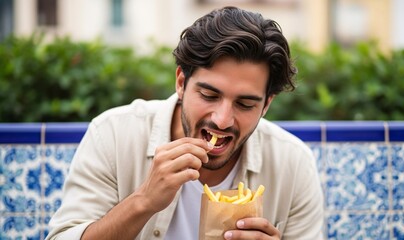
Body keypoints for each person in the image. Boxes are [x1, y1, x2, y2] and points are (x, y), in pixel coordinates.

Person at [46, 6, 324, 240]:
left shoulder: (293, 162)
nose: (222, 119)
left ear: (266, 105)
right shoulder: (113, 135)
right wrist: (143, 200)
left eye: (245, 104)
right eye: (209, 95)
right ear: (181, 82)